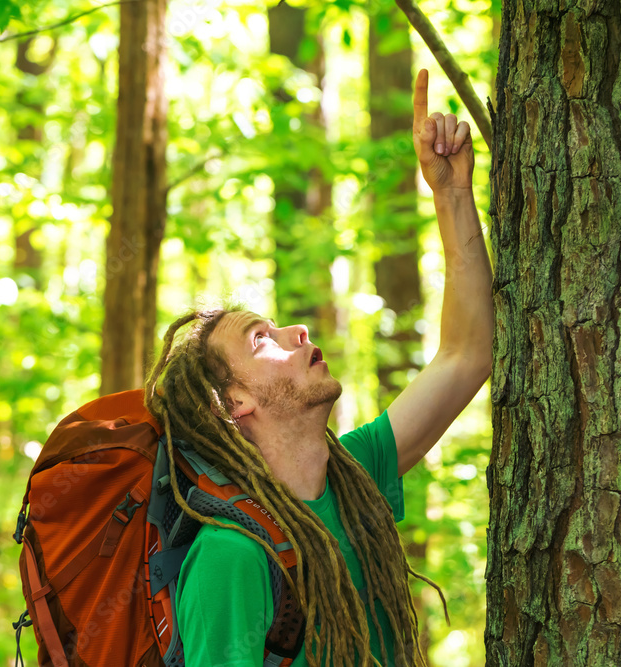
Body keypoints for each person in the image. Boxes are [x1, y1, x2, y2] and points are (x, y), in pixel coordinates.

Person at [143, 68, 494, 667]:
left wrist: (451, 194)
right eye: (262, 339)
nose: (296, 331)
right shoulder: (232, 558)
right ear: (234, 405)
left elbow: (467, 355)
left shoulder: (354, 478)